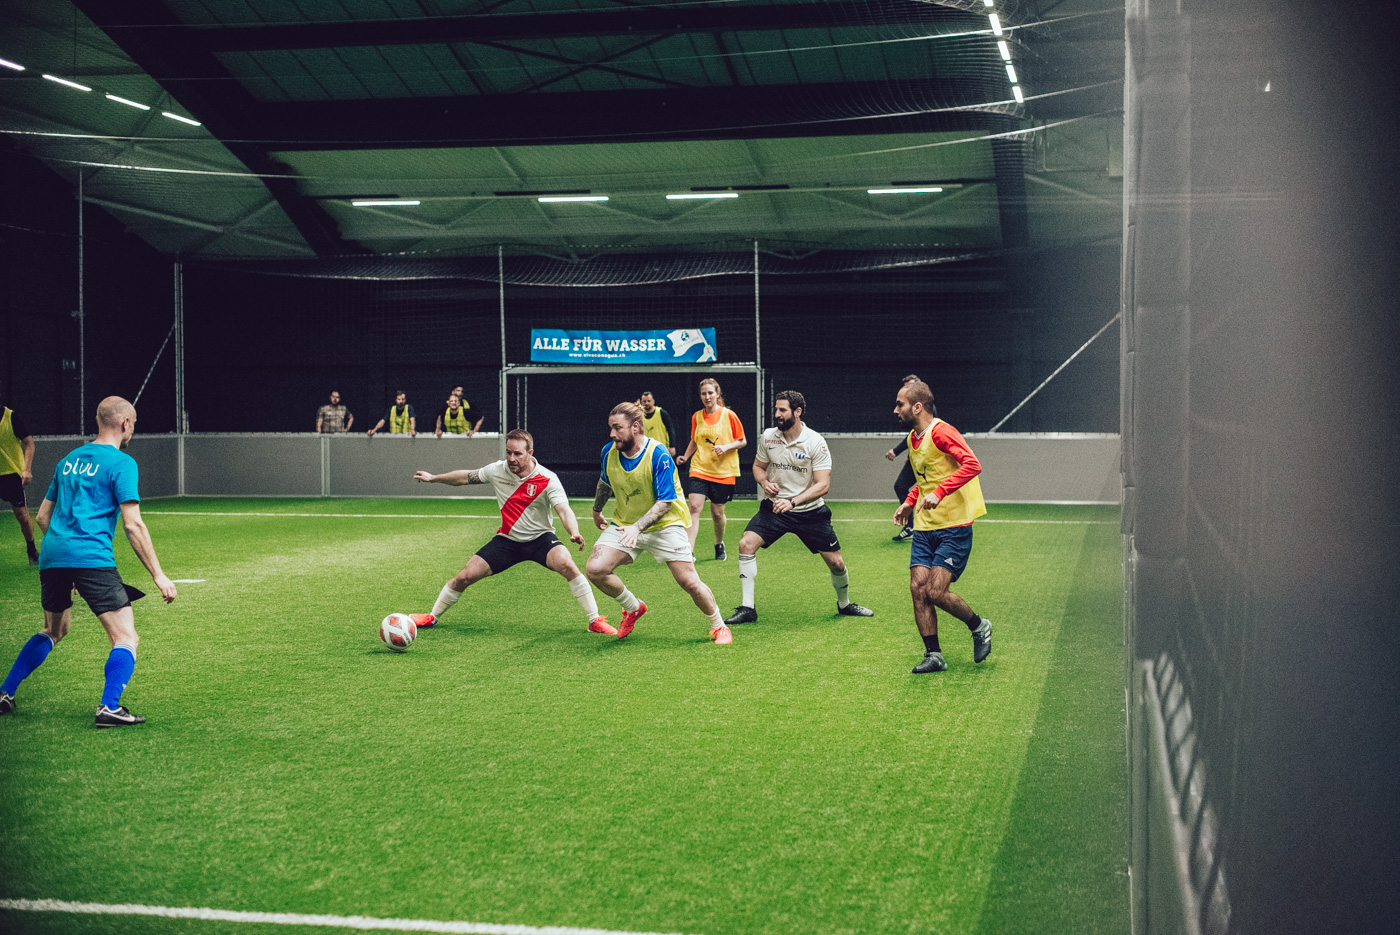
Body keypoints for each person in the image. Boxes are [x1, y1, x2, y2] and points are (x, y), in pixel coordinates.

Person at [0, 396, 177, 726]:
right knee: (125, 637)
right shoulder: (122, 463)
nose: (132, 430)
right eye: (133, 425)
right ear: (125, 424)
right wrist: (159, 575)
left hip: (53, 555)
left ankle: (4, 693)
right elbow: (133, 525)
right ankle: (109, 706)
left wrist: (66, 560)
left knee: (54, 630)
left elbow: (42, 517)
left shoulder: (68, 460)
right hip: (91, 557)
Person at [411, 429, 615, 635]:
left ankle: (594, 620)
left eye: (517, 453)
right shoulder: (496, 470)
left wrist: (574, 531)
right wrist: (433, 478)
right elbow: (465, 477)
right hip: (507, 541)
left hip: (540, 539)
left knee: (568, 565)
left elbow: (563, 509)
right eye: (508, 452)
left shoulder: (547, 478)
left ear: (530, 453)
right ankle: (432, 616)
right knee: (464, 577)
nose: (511, 458)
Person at [586, 401, 732, 645]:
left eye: (617, 428)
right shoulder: (608, 452)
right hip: (625, 523)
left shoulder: (658, 454)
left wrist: (637, 528)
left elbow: (665, 503)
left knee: (689, 582)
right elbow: (605, 481)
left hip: (666, 525)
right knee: (595, 569)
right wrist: (597, 510)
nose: (612, 433)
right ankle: (633, 607)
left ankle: (719, 626)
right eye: (611, 427)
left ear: (635, 427)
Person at [723, 391, 874, 626]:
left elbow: (823, 485)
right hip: (774, 509)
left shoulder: (815, 442)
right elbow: (758, 467)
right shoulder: (768, 437)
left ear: (797, 412)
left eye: (782, 410)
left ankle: (844, 604)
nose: (777, 414)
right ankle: (747, 608)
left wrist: (793, 502)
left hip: (810, 513)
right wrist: (764, 482)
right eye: (776, 409)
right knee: (746, 544)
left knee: (837, 564)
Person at [891, 380, 993, 674]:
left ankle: (979, 626)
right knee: (917, 588)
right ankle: (933, 655)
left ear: (917, 407)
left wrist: (940, 492)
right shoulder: (913, 438)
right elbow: (925, 480)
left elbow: (972, 464)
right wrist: (909, 501)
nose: (895, 410)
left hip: (954, 526)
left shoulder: (942, 432)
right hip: (925, 528)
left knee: (936, 592)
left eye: (900, 404)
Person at [675, 378, 746, 561]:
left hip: (723, 472)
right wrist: (686, 457)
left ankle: (719, 544)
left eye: (710, 393)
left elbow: (742, 440)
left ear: (717, 394)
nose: (707, 397)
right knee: (693, 507)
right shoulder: (697, 417)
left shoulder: (729, 415)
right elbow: (694, 440)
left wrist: (726, 447)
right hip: (699, 468)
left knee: (717, 513)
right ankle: (689, 551)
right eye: (703, 393)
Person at [884, 374, 924, 542]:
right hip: (915, 458)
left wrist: (896, 451)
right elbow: (914, 434)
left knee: (925, 486)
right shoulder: (909, 410)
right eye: (905, 387)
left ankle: (915, 526)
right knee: (901, 486)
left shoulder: (926, 410)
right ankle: (911, 526)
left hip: (924, 458)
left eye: (910, 387)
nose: (896, 410)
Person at [0, 394, 39, 564]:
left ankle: (32, 551)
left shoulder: (10, 417)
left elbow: (29, 443)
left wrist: (26, 469)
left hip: (11, 475)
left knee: (22, 516)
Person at [639, 391, 678, 457]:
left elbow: (670, 430)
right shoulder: (639, 415)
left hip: (661, 449)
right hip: (644, 450)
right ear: (641, 403)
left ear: (653, 401)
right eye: (644, 401)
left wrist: (672, 446)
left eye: (649, 401)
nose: (647, 403)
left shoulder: (661, 413)